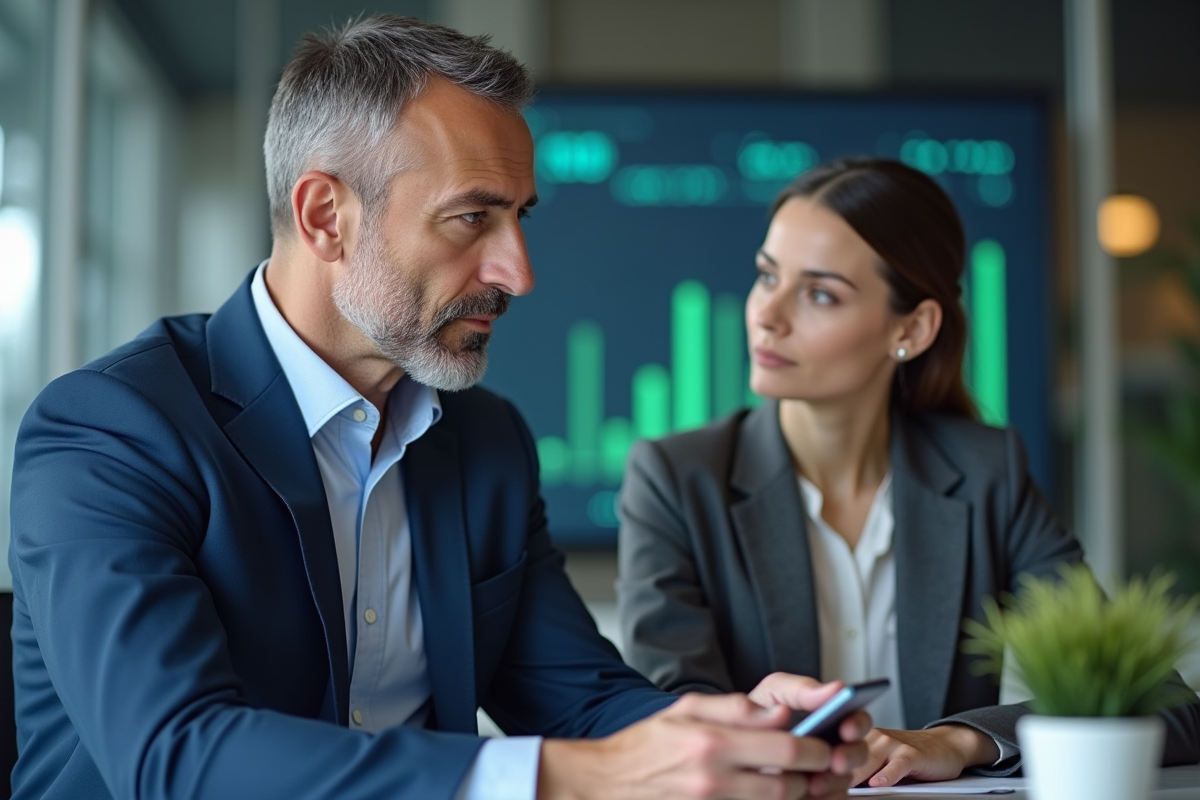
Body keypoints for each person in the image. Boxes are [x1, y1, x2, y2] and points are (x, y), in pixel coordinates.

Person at [7, 17, 872, 800]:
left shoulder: (486, 440)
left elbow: (579, 701)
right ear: (325, 218)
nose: (518, 273)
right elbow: (177, 757)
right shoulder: (110, 432)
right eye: (471, 219)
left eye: (521, 218)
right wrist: (566, 776)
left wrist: (733, 732)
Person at [615, 157, 1200, 789]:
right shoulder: (675, 478)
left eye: (818, 294)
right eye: (767, 276)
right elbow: (665, 715)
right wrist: (751, 722)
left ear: (912, 328)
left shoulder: (985, 474)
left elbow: (1160, 704)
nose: (767, 314)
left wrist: (956, 740)